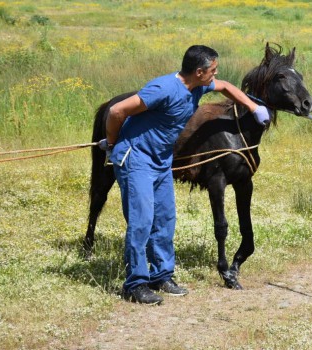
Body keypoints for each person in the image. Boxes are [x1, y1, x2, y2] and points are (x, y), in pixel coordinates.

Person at [98, 45, 272, 305]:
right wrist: (112, 144)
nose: (217, 73)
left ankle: (161, 276)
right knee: (142, 221)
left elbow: (225, 87)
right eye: (213, 69)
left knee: (165, 219)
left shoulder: (199, 85)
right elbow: (116, 111)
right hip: (136, 159)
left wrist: (253, 107)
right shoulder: (163, 89)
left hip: (161, 160)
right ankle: (135, 284)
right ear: (199, 71)